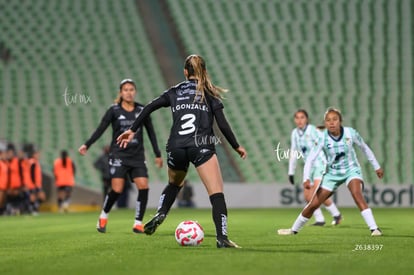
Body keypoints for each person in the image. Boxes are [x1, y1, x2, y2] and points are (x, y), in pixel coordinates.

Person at [117, 54, 247, 248]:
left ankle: (161, 212)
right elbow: (223, 125)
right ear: (204, 71)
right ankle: (222, 238)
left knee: (174, 183)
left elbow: (149, 108)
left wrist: (132, 129)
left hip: (176, 146)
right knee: (216, 193)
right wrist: (236, 146)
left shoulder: (175, 91)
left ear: (185, 72)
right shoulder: (208, 93)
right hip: (201, 145)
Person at [278, 107, 384, 236]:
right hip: (332, 174)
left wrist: (376, 166)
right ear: (325, 123)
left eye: (335, 119)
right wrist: (305, 178)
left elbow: (364, 148)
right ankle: (293, 230)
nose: (331, 122)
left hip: (351, 170)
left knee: (356, 194)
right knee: (313, 203)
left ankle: (374, 229)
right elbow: (310, 158)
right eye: (328, 120)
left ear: (340, 121)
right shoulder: (322, 138)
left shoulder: (350, 133)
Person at [78, 79, 163, 234]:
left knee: (143, 186)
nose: (129, 92)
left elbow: (151, 132)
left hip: (137, 155)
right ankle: (103, 215)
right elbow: (100, 129)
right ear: (121, 93)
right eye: (125, 90)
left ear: (135, 92)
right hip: (119, 154)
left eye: (131, 89)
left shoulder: (142, 110)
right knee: (117, 189)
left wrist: (157, 154)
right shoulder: (114, 110)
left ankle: (138, 222)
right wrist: (87, 144)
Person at [288, 109, 342, 226]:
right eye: (297, 118)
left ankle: (336, 214)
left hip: (320, 163)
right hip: (309, 167)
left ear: (306, 119)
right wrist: (291, 172)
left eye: (302, 117)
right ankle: (321, 219)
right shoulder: (294, 133)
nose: (299, 120)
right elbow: (293, 152)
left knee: (317, 192)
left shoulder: (313, 130)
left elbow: (326, 139)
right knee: (308, 196)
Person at [23, 147, 46, 215]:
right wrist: (35, 184)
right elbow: (32, 174)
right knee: (36, 197)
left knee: (36, 197)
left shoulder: (32, 161)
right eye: (37, 154)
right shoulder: (33, 162)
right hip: (33, 184)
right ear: (33, 154)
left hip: (33, 183)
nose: (38, 155)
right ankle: (31, 209)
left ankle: (32, 209)